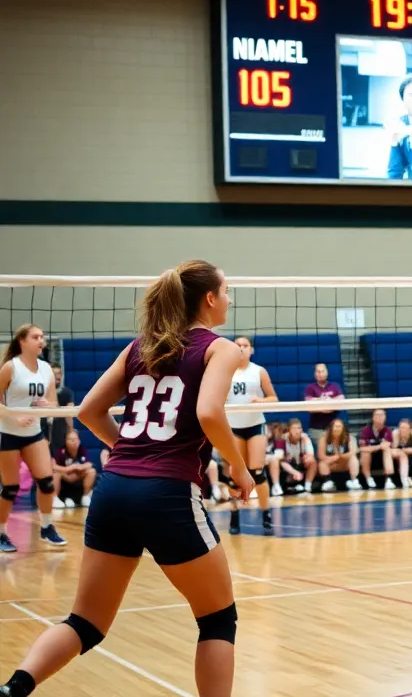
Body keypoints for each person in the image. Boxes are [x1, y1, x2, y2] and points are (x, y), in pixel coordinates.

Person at [0, 260, 254, 697]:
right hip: (168, 492)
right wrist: (239, 465)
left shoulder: (141, 346)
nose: (229, 299)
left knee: (86, 622)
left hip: (113, 489)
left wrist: (127, 450)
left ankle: (13, 687)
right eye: (226, 291)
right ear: (210, 298)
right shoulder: (220, 348)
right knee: (217, 618)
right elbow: (209, 413)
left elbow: (88, 412)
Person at [0, 324, 66, 552]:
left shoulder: (46, 368)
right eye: (36, 337)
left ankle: (47, 527)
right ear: (22, 341)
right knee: (10, 488)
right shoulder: (11, 367)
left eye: (43, 337)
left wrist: (46, 405)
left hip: (33, 433)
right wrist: (12, 416)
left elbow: (53, 403)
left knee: (47, 484)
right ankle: (1, 532)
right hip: (8, 433)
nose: (42, 340)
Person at [226, 336, 277, 535]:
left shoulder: (258, 371)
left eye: (245, 345)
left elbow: (274, 398)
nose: (241, 348)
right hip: (233, 427)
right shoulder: (226, 372)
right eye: (237, 345)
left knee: (257, 472)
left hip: (255, 425)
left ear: (251, 350)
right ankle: (234, 514)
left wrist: (262, 401)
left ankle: (266, 515)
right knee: (236, 474)